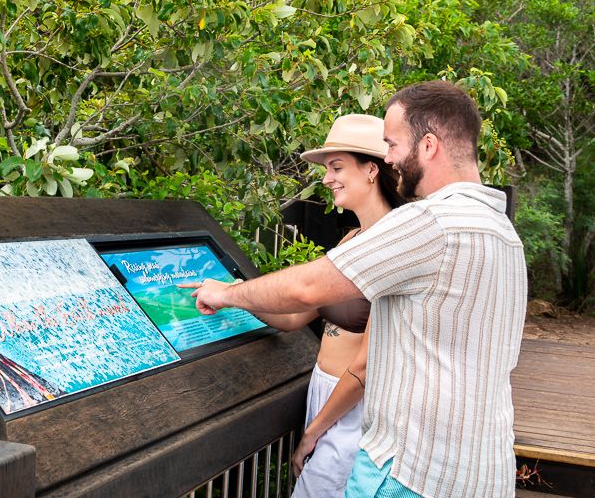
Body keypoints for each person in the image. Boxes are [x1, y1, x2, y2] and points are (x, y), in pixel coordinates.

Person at [188, 80, 527, 498]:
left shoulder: (431, 222)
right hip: (480, 470)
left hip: (411, 471)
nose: (389, 158)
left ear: (428, 145)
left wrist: (227, 294)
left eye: (393, 145)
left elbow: (308, 287)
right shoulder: (501, 231)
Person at [250, 114, 405, 497]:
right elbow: (294, 317)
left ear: (371, 170)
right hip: (323, 395)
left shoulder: (394, 245)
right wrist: (238, 296)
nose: (326, 178)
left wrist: (313, 433)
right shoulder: (351, 238)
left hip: (352, 407)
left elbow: (365, 367)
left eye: (336, 167)